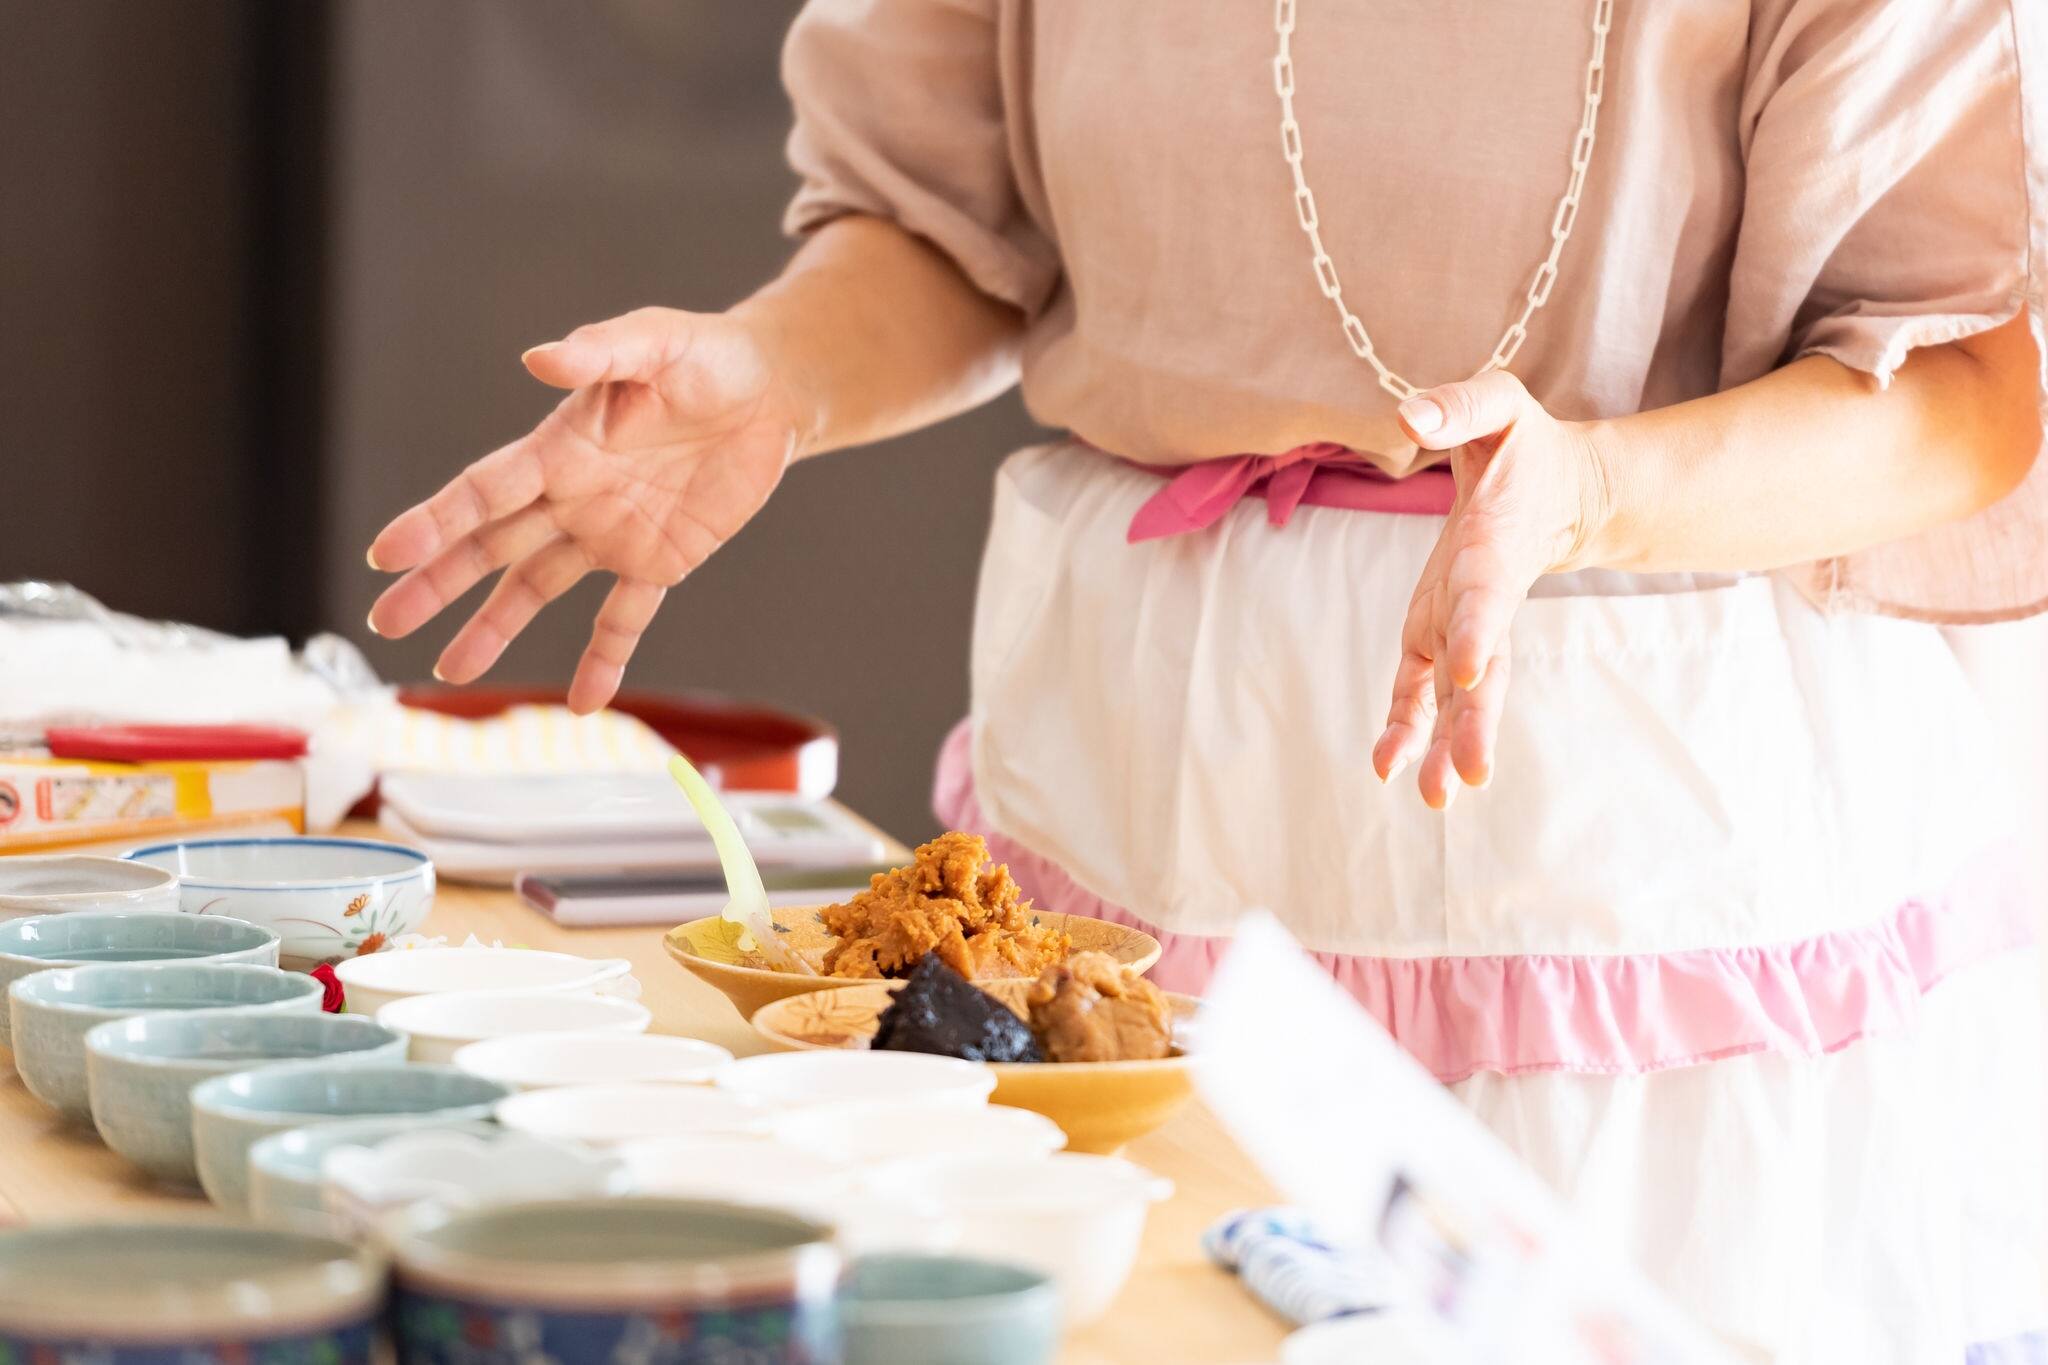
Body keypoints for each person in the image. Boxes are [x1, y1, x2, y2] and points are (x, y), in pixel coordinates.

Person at [365, 2, 2048, 1357]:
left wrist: (1596, 490)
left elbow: (1971, 384)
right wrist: (774, 372)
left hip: (1626, 844)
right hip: (1150, 776)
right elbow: (956, 231)